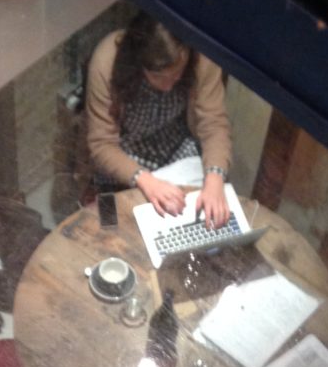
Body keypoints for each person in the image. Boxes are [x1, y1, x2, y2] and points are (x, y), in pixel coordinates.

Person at [86, 13, 233, 225]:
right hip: (123, 159)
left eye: (176, 75)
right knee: (112, 229)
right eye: (158, 77)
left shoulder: (200, 57)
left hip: (176, 150)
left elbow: (214, 123)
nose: (168, 86)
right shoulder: (107, 62)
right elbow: (102, 145)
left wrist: (215, 178)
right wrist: (146, 181)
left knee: (198, 220)